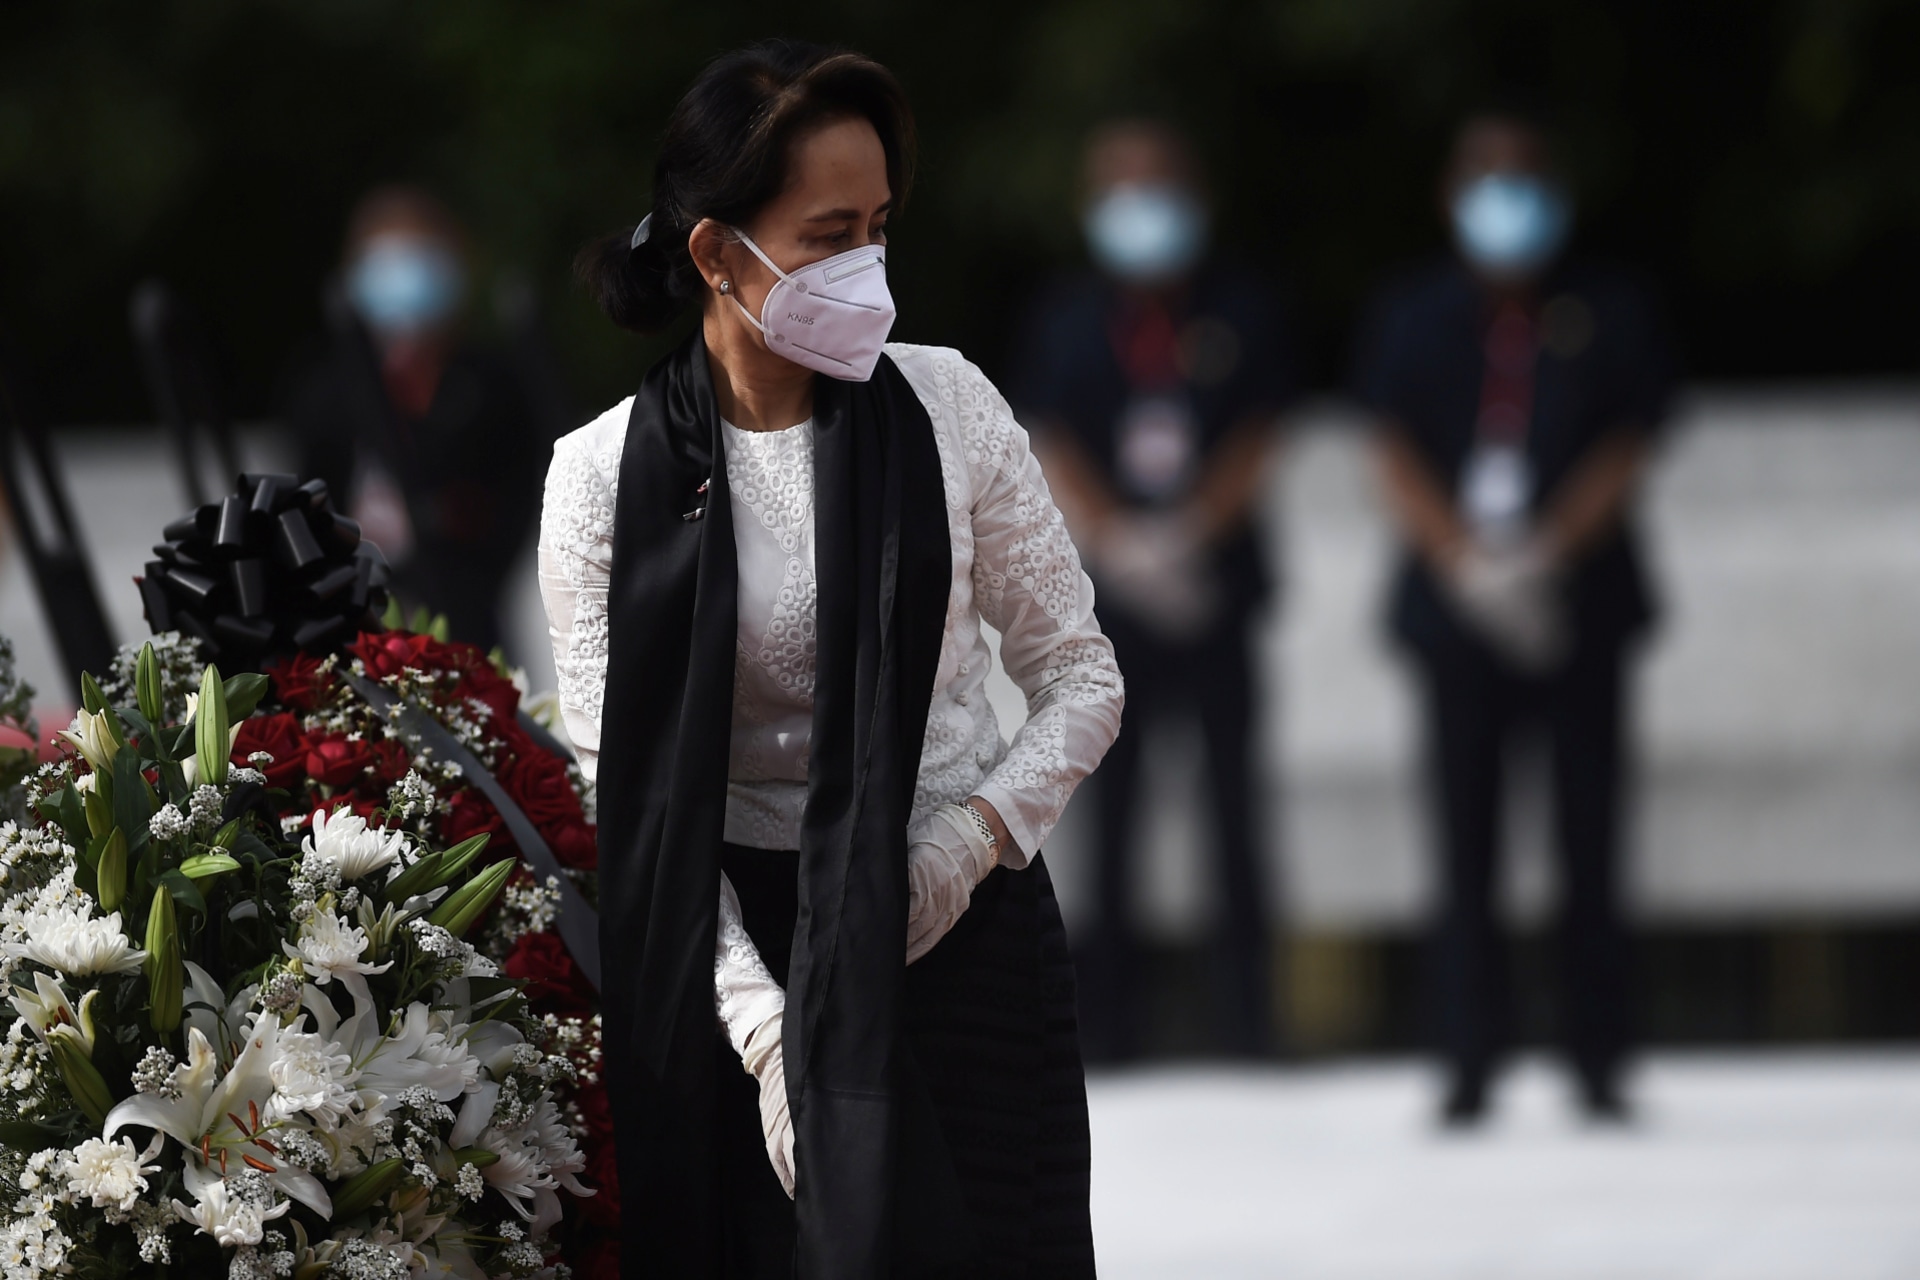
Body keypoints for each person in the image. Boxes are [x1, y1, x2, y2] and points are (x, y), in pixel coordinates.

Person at [539, 41, 1122, 1278]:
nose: (867, 267)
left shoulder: (948, 405)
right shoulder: (600, 476)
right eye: (828, 235)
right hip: (729, 956)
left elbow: (1082, 676)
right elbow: (624, 797)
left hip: (958, 937)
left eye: (879, 228)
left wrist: (964, 846)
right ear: (717, 253)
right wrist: (764, 1033)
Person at [1353, 112, 1678, 1124]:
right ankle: (1467, 1056)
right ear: (1453, 198)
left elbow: (1630, 440)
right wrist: (1463, 558)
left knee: (1591, 834)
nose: (1507, 201)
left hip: (1580, 604)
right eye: (1487, 180)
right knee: (1465, 841)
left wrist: (1547, 552)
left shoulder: (1609, 307)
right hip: (1456, 610)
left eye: (1524, 178)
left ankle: (1599, 1056)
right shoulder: (1412, 314)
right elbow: (1389, 447)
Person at [1012, 120, 1295, 1061]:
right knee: (1113, 811)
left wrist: (1192, 530)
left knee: (1234, 805)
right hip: (1113, 599)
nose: (1143, 208)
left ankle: (1249, 1022)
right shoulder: (1066, 317)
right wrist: (1123, 541)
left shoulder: (1240, 308)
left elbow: (1260, 431)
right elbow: (1051, 435)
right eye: (1121, 189)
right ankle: (1110, 1027)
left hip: (1216, 588)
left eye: (1158, 185)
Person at [283, 186, 545, 652]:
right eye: (385, 265)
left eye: (419, 261)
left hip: (468, 631)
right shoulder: (326, 393)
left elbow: (516, 506)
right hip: (350, 637)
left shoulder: (493, 390)